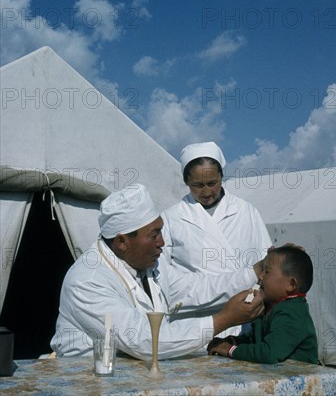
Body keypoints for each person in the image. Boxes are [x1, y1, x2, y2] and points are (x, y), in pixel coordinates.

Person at [51, 184, 264, 360]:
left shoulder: (149, 264)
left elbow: (194, 288)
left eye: (161, 231)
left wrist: (256, 272)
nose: (162, 242)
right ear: (122, 242)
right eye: (154, 235)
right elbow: (143, 340)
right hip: (89, 381)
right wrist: (223, 320)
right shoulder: (88, 280)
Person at [162, 142, 272, 325]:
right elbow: (164, 283)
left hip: (244, 320)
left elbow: (265, 263)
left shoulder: (246, 211)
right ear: (186, 182)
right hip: (192, 322)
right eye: (198, 185)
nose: (206, 192)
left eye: (212, 183)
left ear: (222, 176)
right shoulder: (170, 218)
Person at [207, 246, 318, 364]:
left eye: (267, 272)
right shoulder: (270, 307)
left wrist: (231, 350)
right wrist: (232, 341)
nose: (260, 276)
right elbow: (254, 340)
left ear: (291, 284)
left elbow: (268, 352)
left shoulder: (293, 313)